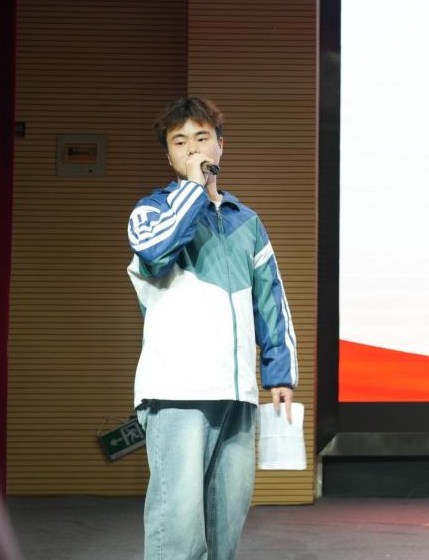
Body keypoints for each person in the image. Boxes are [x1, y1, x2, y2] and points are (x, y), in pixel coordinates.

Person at [127, 96, 298, 559]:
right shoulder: (151, 212)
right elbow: (155, 252)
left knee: (226, 527)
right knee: (178, 530)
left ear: (221, 145)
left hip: (236, 392)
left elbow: (271, 301)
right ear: (169, 156)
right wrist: (192, 191)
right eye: (179, 142)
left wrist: (279, 374)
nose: (192, 149)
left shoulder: (248, 222)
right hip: (176, 392)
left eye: (201, 138)